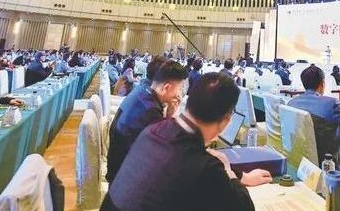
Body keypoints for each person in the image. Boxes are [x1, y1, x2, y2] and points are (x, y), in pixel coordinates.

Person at [101, 72, 271, 211]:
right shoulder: (205, 167)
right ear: (226, 122)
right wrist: (228, 171)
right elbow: (244, 207)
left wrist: (241, 176)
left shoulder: (152, 130)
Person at [106, 60, 189, 182]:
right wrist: (172, 117)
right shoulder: (150, 111)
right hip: (125, 181)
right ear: (166, 87)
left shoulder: (143, 92)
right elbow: (165, 150)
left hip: (120, 166)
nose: (179, 94)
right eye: (179, 88)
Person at [288, 64, 340, 166]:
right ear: (322, 83)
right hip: (331, 165)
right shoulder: (331, 104)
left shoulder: (291, 104)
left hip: (302, 163)